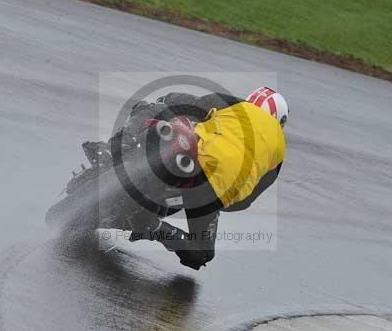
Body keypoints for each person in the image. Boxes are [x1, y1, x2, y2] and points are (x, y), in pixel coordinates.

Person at [101, 86, 288, 270]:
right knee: (202, 254)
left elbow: (188, 103)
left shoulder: (236, 104)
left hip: (193, 156)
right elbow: (247, 201)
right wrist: (217, 201)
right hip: (212, 194)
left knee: (150, 108)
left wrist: (165, 101)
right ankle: (157, 229)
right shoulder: (279, 148)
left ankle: (113, 150)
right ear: (280, 120)